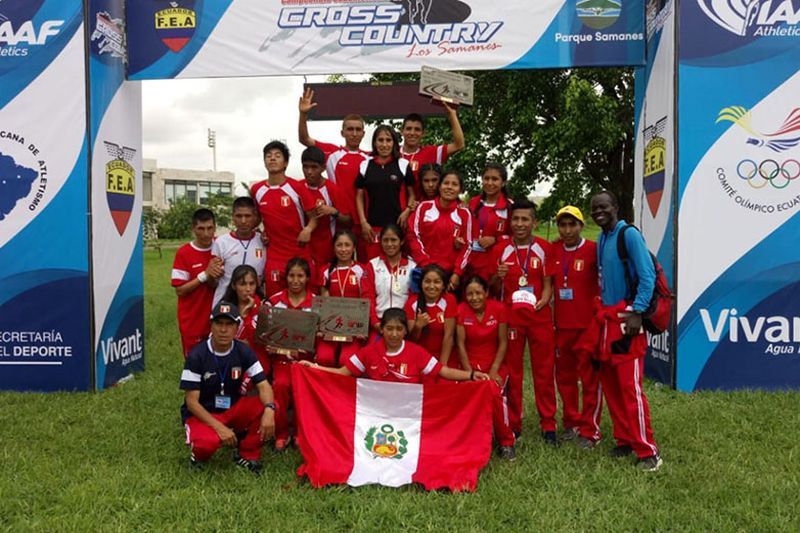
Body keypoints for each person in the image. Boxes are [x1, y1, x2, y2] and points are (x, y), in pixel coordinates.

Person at [589, 190, 662, 471]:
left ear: (616, 207)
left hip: (628, 322)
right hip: (608, 322)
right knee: (612, 386)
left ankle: (648, 451)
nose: (599, 212)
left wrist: (637, 312)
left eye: (604, 207)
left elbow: (648, 276)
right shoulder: (602, 238)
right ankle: (625, 439)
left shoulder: (628, 234)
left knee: (630, 388)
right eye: (595, 208)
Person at [180, 301, 276, 473]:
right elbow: (192, 402)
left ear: (236, 327)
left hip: (232, 408)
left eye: (229, 324)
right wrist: (220, 428)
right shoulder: (197, 355)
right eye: (219, 324)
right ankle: (197, 457)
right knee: (207, 444)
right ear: (211, 325)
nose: (223, 330)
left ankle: (247, 453)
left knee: (271, 406)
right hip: (204, 413)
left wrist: (270, 409)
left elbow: (263, 385)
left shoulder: (243, 351)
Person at [491, 198, 557, 445]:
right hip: (512, 320)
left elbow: (548, 285)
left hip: (539, 318)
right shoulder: (501, 249)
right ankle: (514, 423)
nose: (519, 224)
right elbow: (494, 287)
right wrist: (498, 277)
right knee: (514, 373)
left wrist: (543, 300)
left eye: (525, 219)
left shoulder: (544, 248)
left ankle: (548, 424)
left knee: (544, 371)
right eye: (515, 219)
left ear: (534, 222)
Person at [302, 308, 488, 386]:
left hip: (408, 414)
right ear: (381, 330)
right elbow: (343, 372)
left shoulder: (416, 352)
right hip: (378, 412)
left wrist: (471, 375)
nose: (394, 334)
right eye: (389, 329)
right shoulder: (368, 352)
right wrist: (314, 368)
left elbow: (443, 371)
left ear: (405, 331)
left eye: (399, 329)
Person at [548, 206, 602, 445]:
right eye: (563, 225)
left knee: (589, 379)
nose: (567, 230)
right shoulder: (554, 249)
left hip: (587, 327)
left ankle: (590, 429)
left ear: (581, 225)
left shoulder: (593, 250)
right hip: (561, 327)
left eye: (572, 224)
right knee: (565, 378)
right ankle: (571, 421)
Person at [298, 88, 370, 257]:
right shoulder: (331, 153)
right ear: (342, 132)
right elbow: (304, 139)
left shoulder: (370, 158)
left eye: (358, 130)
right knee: (336, 269)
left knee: (364, 268)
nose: (354, 133)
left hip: (363, 222)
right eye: (350, 129)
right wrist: (303, 115)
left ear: (363, 133)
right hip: (337, 221)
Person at [455, 276, 517, 460]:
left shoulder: (499, 309)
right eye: (469, 294)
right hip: (469, 365)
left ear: (487, 293)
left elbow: (503, 342)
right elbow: (460, 345)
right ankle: (473, 439)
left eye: (478, 293)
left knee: (493, 391)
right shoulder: (460, 310)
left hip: (494, 365)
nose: (474, 298)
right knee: (469, 392)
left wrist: (493, 370)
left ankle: (506, 441)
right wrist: (469, 374)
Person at [250, 140, 318, 296]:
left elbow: (313, 217)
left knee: (307, 303)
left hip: (300, 253)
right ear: (264, 161)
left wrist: (308, 229)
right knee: (275, 304)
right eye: (268, 156)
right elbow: (257, 219)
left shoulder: (297, 187)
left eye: (277, 155)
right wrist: (261, 232)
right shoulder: (257, 190)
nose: (272, 158)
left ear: (285, 163)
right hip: (275, 256)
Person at [265, 257, 316, 451]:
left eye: (300, 276)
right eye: (292, 276)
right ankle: (282, 433)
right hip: (281, 361)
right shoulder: (274, 302)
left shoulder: (317, 303)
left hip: (307, 362)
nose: (296, 280)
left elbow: (318, 339)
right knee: (281, 385)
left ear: (307, 278)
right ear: (285, 277)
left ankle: (301, 432)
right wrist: (270, 345)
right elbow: (265, 334)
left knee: (304, 389)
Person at [355, 125, 416, 259]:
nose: (384, 144)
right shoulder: (365, 165)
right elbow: (359, 197)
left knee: (398, 268)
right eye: (380, 140)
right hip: (373, 227)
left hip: (398, 226)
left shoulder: (403, 164)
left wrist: (407, 211)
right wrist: (363, 222)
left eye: (388, 140)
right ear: (375, 143)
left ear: (394, 143)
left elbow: (412, 194)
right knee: (374, 267)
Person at [407, 169, 472, 292]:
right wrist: (426, 265)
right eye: (446, 183)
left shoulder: (464, 214)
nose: (449, 187)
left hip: (449, 276)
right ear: (440, 186)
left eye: (454, 184)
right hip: (423, 270)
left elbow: (468, 246)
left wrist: (457, 273)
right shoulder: (424, 207)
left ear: (460, 190)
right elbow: (413, 235)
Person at [172, 208, 224, 356]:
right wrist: (204, 275)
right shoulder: (184, 253)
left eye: (210, 228)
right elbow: (180, 290)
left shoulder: (222, 245)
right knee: (194, 365)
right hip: (193, 320)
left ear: (215, 227)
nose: (206, 233)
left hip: (220, 319)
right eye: (201, 228)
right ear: (193, 228)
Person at [316, 230, 372, 367]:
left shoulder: (362, 270)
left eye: (347, 245)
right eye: (339, 245)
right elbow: (324, 303)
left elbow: (365, 301)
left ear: (354, 248)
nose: (343, 249)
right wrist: (321, 328)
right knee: (324, 358)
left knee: (346, 360)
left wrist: (362, 328)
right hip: (331, 327)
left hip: (354, 328)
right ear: (333, 247)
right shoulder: (326, 270)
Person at [298, 145, 353, 268]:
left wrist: (334, 212)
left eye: (314, 167)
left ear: (323, 168)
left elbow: (348, 221)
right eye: (305, 166)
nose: (309, 171)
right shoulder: (297, 188)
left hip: (327, 252)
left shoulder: (333, 190)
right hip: (302, 250)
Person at [399, 105, 464, 200]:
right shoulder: (392, 152)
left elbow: (459, 144)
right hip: (396, 210)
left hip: (425, 210)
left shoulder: (432, 152)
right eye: (408, 129)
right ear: (402, 131)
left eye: (417, 129)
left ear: (423, 133)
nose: (412, 133)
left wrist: (452, 115)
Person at [211, 197, 267, 307]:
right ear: (232, 217)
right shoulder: (221, 242)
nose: (243, 221)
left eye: (247, 216)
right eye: (239, 216)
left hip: (254, 305)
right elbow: (213, 281)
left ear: (255, 217)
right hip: (225, 305)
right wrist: (210, 274)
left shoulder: (263, 241)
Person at [366, 224, 416, 339]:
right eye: (385, 240)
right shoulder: (372, 265)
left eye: (393, 240)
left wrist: (406, 323)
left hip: (404, 326)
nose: (389, 244)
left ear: (402, 241)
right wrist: (376, 323)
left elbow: (414, 298)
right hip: (379, 324)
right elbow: (368, 297)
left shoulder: (412, 266)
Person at [221, 264, 270, 377]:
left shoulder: (264, 307)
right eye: (242, 284)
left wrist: (246, 317)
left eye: (251, 284)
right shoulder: (225, 307)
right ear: (234, 285)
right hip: (229, 355)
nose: (248, 289)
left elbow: (260, 341)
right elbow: (216, 336)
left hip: (256, 359)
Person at [404, 264, 457, 366]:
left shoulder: (449, 300)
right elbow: (411, 341)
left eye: (437, 282)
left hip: (444, 358)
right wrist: (418, 327)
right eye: (427, 281)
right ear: (421, 283)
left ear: (443, 285)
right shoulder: (412, 303)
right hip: (420, 358)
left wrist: (442, 365)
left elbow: (449, 336)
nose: (431, 286)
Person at [468, 163, 512, 282]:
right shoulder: (473, 203)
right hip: (470, 262)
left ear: (503, 183)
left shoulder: (509, 207)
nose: (490, 183)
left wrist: (495, 239)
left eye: (495, 179)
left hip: (495, 264)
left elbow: (516, 236)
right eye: (486, 178)